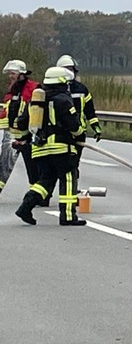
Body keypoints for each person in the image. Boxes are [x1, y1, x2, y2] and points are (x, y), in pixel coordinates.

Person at [14, 66, 86, 226]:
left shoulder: (36, 99)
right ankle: (68, 216)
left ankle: (26, 207)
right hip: (61, 148)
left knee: (46, 180)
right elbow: (73, 125)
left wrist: (26, 138)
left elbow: (22, 123)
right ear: (62, 82)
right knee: (68, 177)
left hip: (39, 148)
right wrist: (80, 135)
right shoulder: (63, 100)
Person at [57, 55, 101, 190]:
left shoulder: (82, 89)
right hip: (60, 134)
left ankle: (72, 189)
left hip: (79, 133)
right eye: (66, 69)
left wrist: (96, 127)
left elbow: (89, 111)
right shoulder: (54, 89)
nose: (69, 72)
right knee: (60, 165)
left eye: (71, 69)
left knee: (74, 164)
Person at [2, 60, 39, 196]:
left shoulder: (34, 89)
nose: (10, 76)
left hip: (28, 136)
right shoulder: (12, 90)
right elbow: (7, 112)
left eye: (13, 73)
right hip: (12, 135)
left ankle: (37, 196)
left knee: (33, 168)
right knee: (4, 166)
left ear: (21, 74)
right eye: (9, 74)